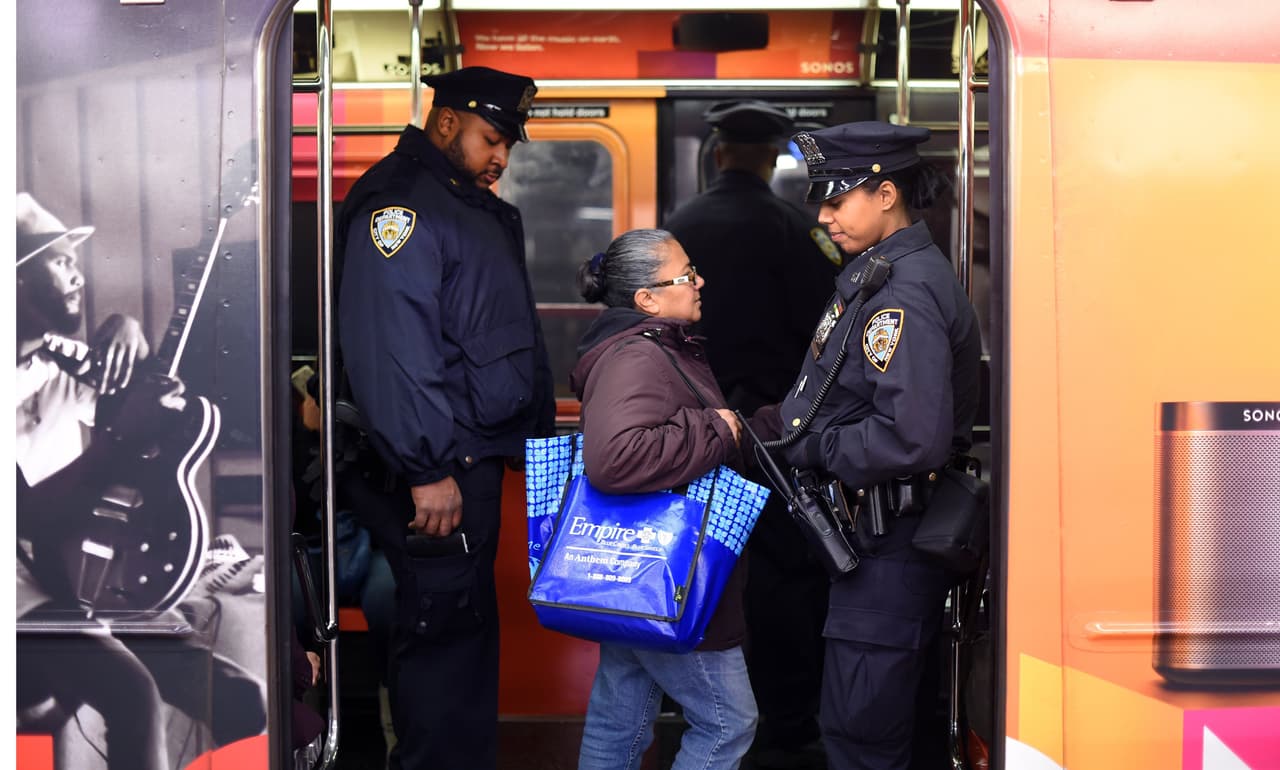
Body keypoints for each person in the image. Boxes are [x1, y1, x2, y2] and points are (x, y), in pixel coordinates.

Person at [335, 65, 555, 770]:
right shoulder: (401, 207)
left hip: (468, 460)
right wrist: (426, 466)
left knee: (460, 643)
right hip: (440, 469)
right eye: (494, 138)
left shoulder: (460, 203)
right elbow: (394, 347)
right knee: (441, 647)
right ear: (449, 120)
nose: (502, 159)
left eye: (510, 145)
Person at [14, 192, 267, 769]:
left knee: (243, 700)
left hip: (70, 582)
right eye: (56, 262)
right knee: (133, 696)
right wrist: (121, 437)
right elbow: (24, 514)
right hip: (19, 601)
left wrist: (132, 333)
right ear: (18, 285)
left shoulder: (61, 361)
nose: (76, 272)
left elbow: (143, 410)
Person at [764, 122, 982, 770]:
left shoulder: (904, 292)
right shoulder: (881, 274)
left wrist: (812, 446)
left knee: (859, 733)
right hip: (876, 541)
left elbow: (910, 437)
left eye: (837, 198)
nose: (823, 215)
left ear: (885, 194)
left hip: (889, 543)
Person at [663, 100, 839, 769]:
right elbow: (824, 337)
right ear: (772, 158)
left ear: (716, 152)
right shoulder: (796, 230)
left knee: (698, 570)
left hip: (692, 434)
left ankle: (696, 713)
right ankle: (786, 723)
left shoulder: (677, 228)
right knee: (784, 579)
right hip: (772, 437)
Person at [570, 228, 757, 770]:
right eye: (686, 275)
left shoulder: (650, 347)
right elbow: (614, 458)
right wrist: (716, 430)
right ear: (646, 299)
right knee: (728, 724)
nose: (700, 282)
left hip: (635, 574)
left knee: (619, 717)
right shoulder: (637, 356)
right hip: (666, 577)